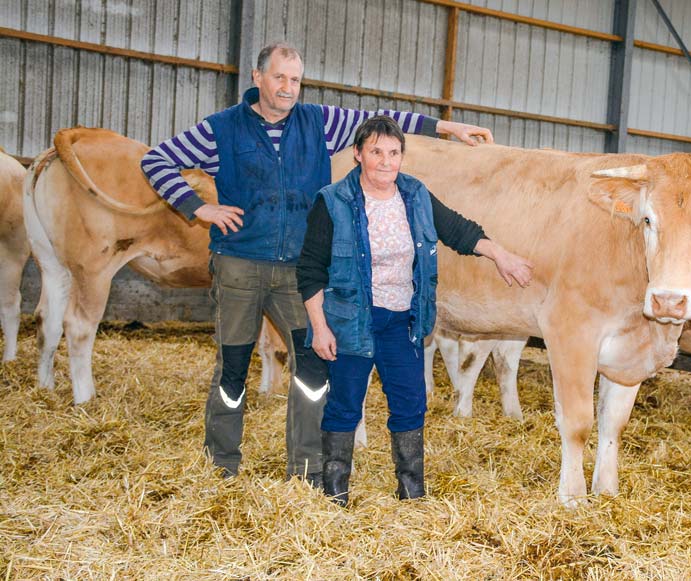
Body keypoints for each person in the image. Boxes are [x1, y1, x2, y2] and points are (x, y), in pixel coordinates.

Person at [140, 42, 494, 484]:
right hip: (239, 266)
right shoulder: (221, 129)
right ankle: (222, 466)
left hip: (300, 273)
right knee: (233, 366)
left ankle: (306, 470)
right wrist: (199, 207)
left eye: (295, 79)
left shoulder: (319, 123)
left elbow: (384, 121)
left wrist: (446, 126)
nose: (288, 87)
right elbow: (155, 160)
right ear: (258, 77)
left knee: (312, 368)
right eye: (279, 77)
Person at [298, 116, 533, 506]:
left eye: (393, 153)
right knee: (345, 404)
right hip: (351, 320)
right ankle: (334, 493)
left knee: (409, 403)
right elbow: (309, 270)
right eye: (376, 152)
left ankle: (411, 494)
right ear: (358, 155)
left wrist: (501, 255)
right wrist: (320, 327)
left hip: (401, 320)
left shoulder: (415, 195)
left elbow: (458, 230)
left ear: (402, 157)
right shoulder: (332, 201)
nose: (386, 161)